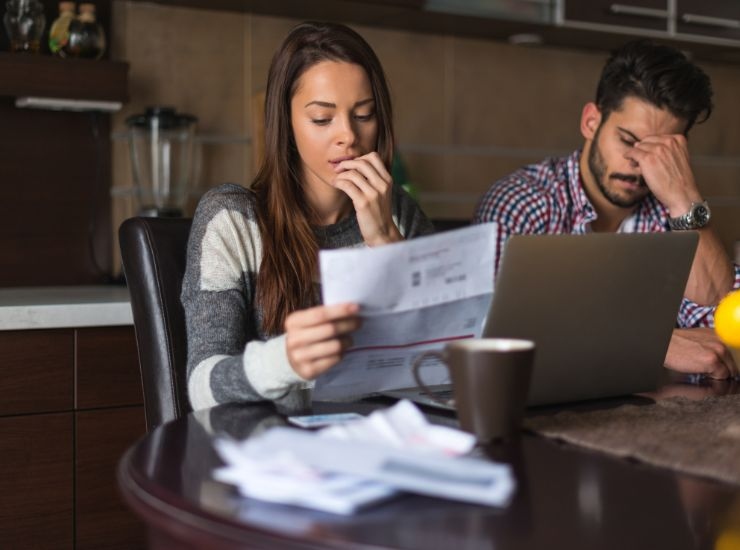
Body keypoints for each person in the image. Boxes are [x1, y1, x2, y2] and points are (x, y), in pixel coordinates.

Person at [182, 21, 434, 410]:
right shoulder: (233, 219)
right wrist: (285, 360)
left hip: (382, 442)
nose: (348, 135)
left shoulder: (399, 213)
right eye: (322, 119)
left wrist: (386, 240)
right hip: (274, 451)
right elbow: (202, 388)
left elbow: (440, 365)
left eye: (364, 115)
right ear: (287, 123)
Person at [474, 39, 740, 379]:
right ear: (590, 122)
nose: (637, 164)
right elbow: (495, 342)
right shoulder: (523, 202)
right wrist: (655, 342)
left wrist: (685, 200)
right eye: (628, 140)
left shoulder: (671, 211)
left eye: (659, 151)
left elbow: (726, 332)